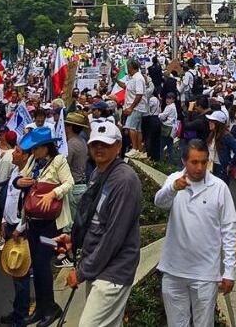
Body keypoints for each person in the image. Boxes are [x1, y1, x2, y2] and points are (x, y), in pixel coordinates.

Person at [60, 119, 142, 327]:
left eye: (105, 144)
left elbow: (113, 236)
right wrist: (74, 240)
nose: (99, 148)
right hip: (98, 265)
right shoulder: (98, 173)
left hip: (114, 270)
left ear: (118, 146)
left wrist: (81, 272)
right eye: (95, 143)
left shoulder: (124, 180)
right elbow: (93, 218)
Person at [156, 138, 236, 327]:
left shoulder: (219, 187)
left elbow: (229, 230)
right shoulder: (174, 180)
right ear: (184, 161)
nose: (200, 167)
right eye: (194, 162)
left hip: (205, 274)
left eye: (203, 162)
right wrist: (173, 188)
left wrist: (229, 271)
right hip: (173, 271)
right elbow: (159, 202)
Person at [14, 125, 74, 325]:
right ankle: (41, 307)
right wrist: (19, 182)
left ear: (46, 147)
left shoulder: (59, 161)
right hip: (33, 223)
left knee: (42, 264)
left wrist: (52, 193)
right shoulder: (33, 161)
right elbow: (19, 179)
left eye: (37, 148)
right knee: (37, 266)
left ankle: (50, 307)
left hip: (51, 225)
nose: (34, 151)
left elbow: (69, 183)